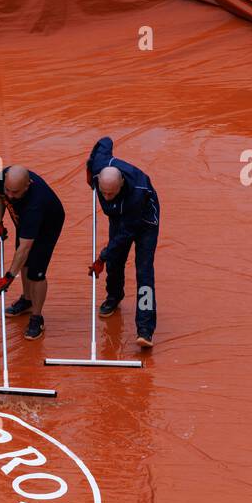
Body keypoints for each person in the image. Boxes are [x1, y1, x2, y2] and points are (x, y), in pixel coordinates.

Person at [86, 136, 160, 348]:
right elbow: (104, 142)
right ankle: (114, 295)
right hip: (120, 216)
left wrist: (101, 257)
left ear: (121, 185)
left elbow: (125, 234)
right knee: (115, 260)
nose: (106, 197)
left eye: (111, 193)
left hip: (144, 221)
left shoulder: (136, 194)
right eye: (103, 192)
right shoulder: (101, 168)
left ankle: (145, 329)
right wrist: (89, 169)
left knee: (144, 271)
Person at [0, 165, 65, 341]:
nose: (10, 195)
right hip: (23, 219)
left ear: (28, 185)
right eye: (8, 190)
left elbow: (25, 248)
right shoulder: (4, 178)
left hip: (47, 226)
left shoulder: (35, 205)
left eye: (15, 192)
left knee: (35, 272)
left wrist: (9, 277)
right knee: (24, 263)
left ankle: (37, 317)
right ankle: (27, 300)